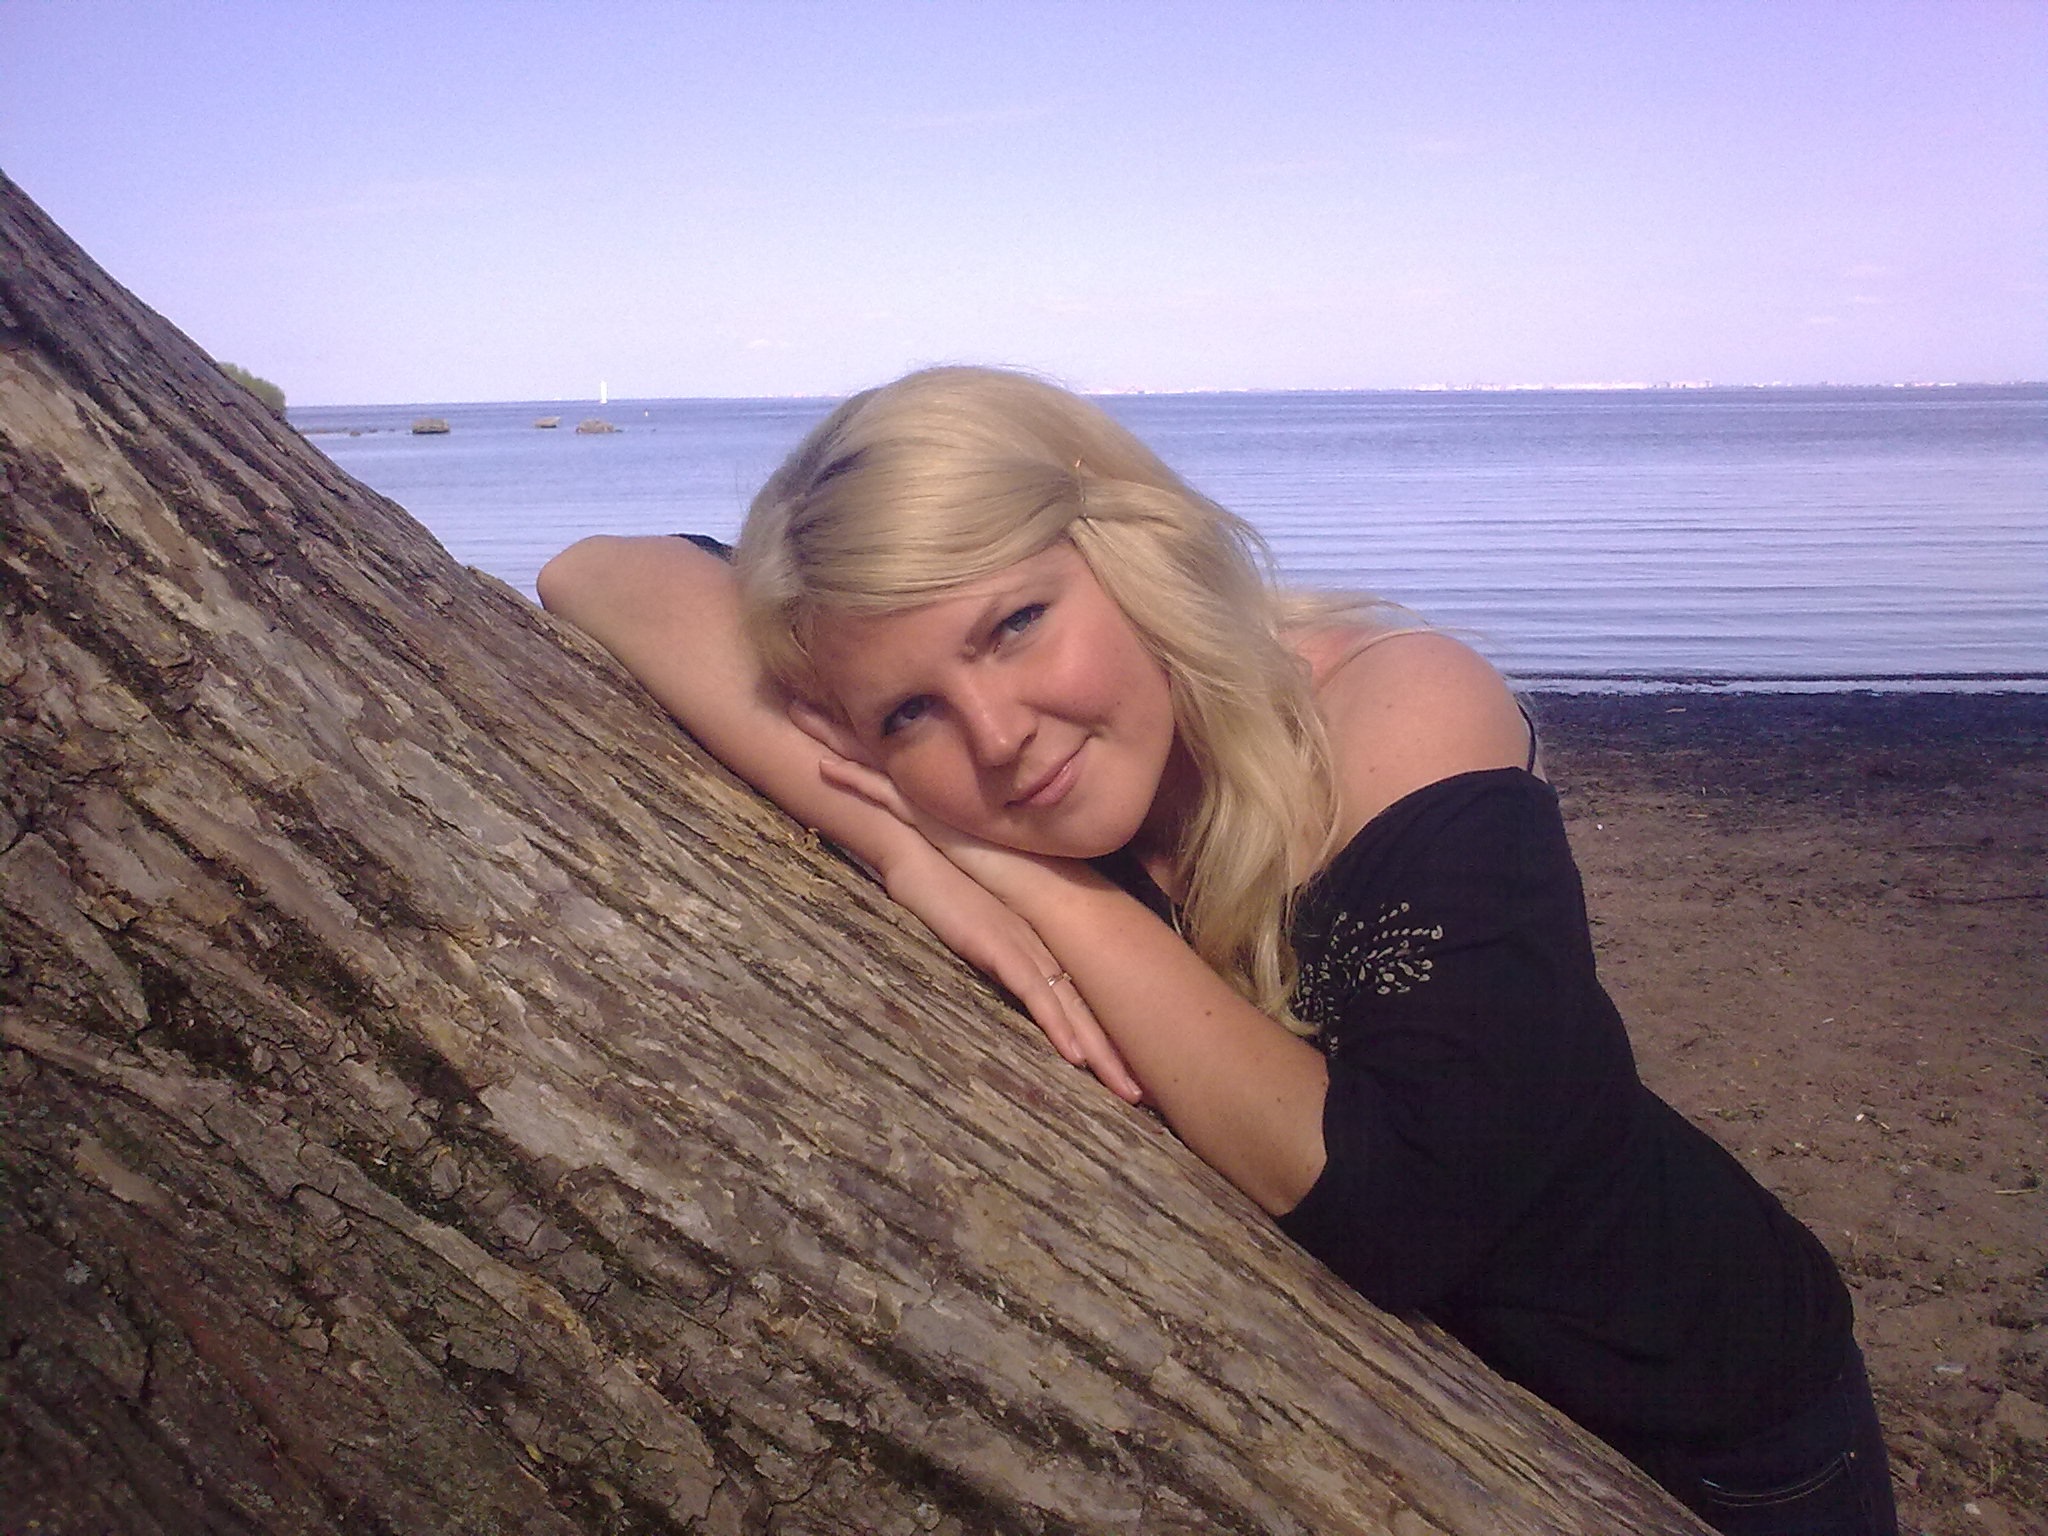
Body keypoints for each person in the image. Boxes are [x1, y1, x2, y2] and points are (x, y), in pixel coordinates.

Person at [538, 365, 1897, 1535]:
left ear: (1123, 546)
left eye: (1015, 625)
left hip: (1728, 1417)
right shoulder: (1020, 772)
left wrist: (1034, 883)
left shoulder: (1394, 706)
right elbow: (595, 573)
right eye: (907, 715)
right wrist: (897, 839)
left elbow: (1402, 1206)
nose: (996, 736)